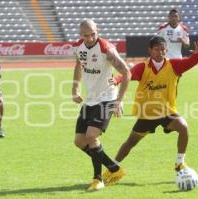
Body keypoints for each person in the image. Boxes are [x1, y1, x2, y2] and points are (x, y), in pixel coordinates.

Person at [103, 36, 198, 177]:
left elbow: (190, 62)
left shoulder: (174, 65)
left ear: (166, 50)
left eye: (163, 49)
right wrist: (117, 79)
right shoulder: (143, 67)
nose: (160, 52)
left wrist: (197, 54)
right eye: (157, 49)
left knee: (183, 127)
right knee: (130, 142)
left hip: (167, 111)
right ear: (150, 50)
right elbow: (128, 75)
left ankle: (180, 162)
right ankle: (113, 169)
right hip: (147, 114)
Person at [72, 19, 131, 191]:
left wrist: (119, 101)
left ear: (98, 31)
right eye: (85, 35)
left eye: (92, 34)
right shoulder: (78, 47)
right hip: (90, 99)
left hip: (107, 98)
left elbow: (126, 72)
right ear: (80, 34)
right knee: (79, 141)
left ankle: (98, 179)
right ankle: (114, 169)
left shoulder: (106, 49)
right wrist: (75, 89)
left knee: (91, 136)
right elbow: (78, 65)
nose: (89, 38)